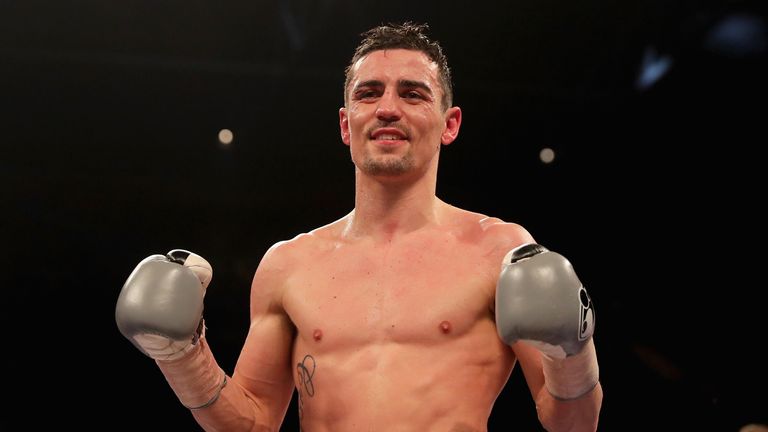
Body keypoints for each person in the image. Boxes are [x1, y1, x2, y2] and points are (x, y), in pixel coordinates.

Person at [115, 22, 602, 431]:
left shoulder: (500, 250)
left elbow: (573, 424)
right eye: (370, 93)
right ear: (347, 125)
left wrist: (572, 353)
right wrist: (182, 359)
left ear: (449, 124)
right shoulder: (288, 264)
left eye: (412, 93)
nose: (388, 107)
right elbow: (253, 422)